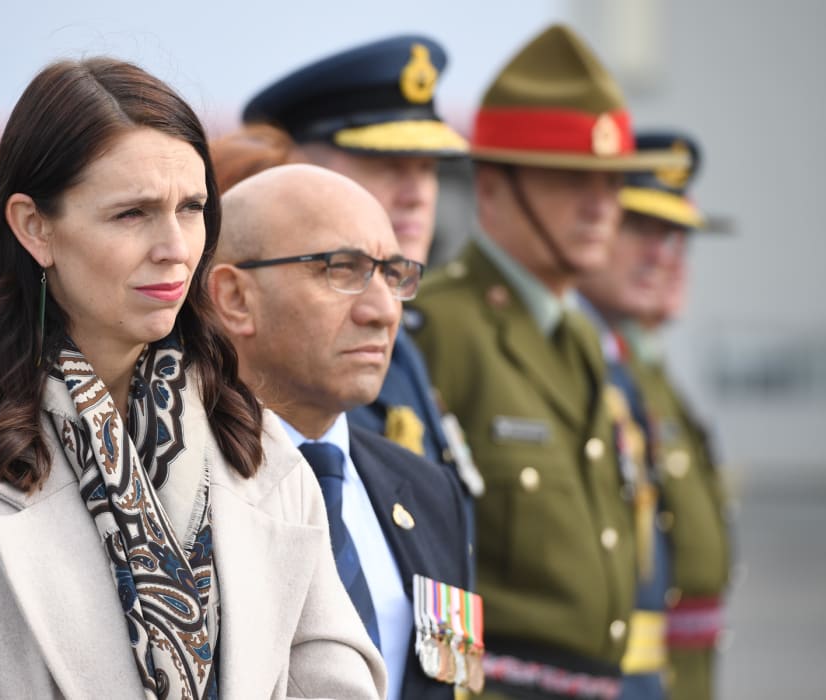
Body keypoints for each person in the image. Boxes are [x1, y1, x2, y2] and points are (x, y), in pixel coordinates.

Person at [0, 58, 385, 699]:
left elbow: (336, 679)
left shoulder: (254, 444)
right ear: (34, 228)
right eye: (132, 214)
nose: (176, 246)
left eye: (193, 207)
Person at [408, 24, 690, 699]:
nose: (603, 207)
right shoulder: (436, 330)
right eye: (572, 180)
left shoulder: (583, 338)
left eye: (612, 182)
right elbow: (427, 556)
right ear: (495, 188)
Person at [207, 163, 479, 700]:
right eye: (342, 269)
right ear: (236, 297)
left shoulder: (428, 492)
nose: (383, 310)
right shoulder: (174, 486)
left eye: (394, 274)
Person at [241, 35, 475, 478]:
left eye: (428, 169)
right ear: (300, 168)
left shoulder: (406, 339)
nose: (417, 195)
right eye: (388, 163)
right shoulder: (284, 346)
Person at [604, 133, 730, 700]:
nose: (669, 255)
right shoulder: (610, 369)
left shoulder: (650, 372)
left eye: (681, 236)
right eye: (645, 229)